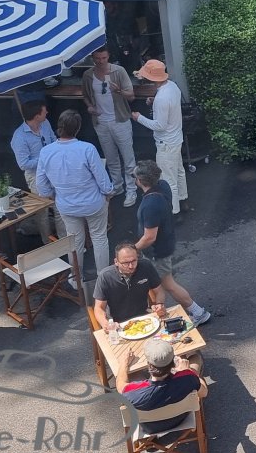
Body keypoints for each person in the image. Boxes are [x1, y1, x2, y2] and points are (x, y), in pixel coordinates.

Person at [36, 110, 116, 281]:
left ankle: (76, 279)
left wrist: (53, 196)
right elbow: (101, 178)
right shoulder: (87, 149)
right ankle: (103, 279)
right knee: (99, 238)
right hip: (93, 203)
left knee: (75, 242)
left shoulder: (46, 152)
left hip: (67, 205)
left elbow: (42, 186)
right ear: (78, 128)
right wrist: (109, 192)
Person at [133, 162, 211, 325]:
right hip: (165, 244)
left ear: (140, 180)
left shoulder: (150, 205)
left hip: (156, 252)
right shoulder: (163, 186)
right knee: (158, 285)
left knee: (168, 285)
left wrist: (133, 249)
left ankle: (198, 312)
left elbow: (149, 237)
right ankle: (159, 313)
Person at [82, 47, 139, 208]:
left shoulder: (118, 71)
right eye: (97, 58)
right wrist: (90, 106)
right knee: (111, 157)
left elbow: (131, 96)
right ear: (93, 58)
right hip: (100, 122)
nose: (100, 61)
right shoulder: (88, 75)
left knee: (128, 158)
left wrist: (119, 91)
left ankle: (132, 190)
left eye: (104, 58)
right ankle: (117, 186)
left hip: (120, 120)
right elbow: (85, 95)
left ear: (108, 57)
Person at [132, 60, 188, 215]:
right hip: (176, 138)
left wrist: (139, 118)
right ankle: (183, 200)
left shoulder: (162, 97)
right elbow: (169, 108)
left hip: (166, 143)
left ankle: (174, 212)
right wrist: (154, 101)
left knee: (168, 180)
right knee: (179, 171)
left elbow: (160, 125)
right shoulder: (172, 86)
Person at [116, 339, 206, 435]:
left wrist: (124, 363)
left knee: (133, 373)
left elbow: (120, 385)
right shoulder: (188, 379)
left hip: (150, 427)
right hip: (180, 419)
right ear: (173, 362)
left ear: (149, 364)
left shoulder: (134, 392)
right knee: (195, 357)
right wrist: (189, 371)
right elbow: (204, 392)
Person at [10, 99, 59, 245]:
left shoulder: (46, 123)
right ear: (37, 116)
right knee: (43, 212)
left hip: (54, 171)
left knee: (60, 207)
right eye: (44, 111)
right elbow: (23, 164)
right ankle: (48, 244)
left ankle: (66, 241)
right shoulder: (19, 137)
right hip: (36, 176)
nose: (47, 113)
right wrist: (45, 158)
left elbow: (54, 139)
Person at [92, 243, 163, 333]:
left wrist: (160, 303)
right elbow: (99, 308)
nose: (131, 266)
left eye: (134, 261)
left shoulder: (146, 266)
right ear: (116, 262)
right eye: (125, 263)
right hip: (118, 323)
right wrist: (105, 324)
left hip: (144, 317)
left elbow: (159, 291)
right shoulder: (105, 277)